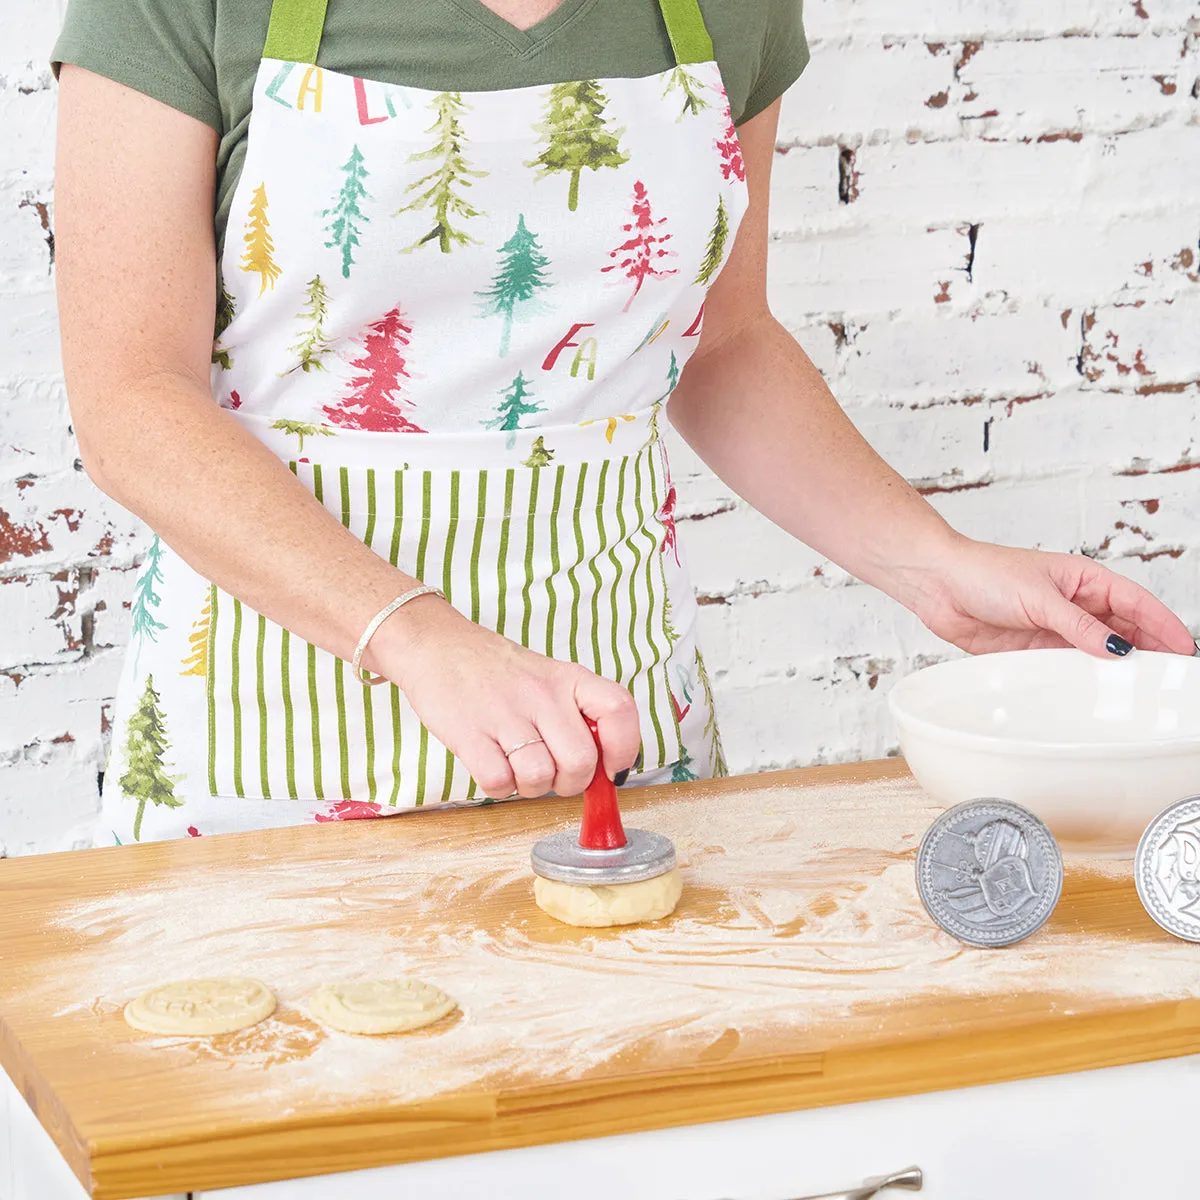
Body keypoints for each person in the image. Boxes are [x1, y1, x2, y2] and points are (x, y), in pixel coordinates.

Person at [50, 0, 1195, 844]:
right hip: (268, 723)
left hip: (614, 721)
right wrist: (420, 637)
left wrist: (938, 565)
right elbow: (130, 400)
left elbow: (725, 343)